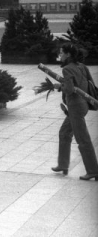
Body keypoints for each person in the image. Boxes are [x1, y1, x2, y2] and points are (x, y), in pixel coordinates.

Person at [50, 43, 98, 181]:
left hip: (75, 106)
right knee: (64, 133)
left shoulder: (67, 69)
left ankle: (93, 170)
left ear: (68, 54)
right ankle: (63, 164)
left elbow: (70, 89)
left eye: (62, 52)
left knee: (82, 139)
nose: (60, 55)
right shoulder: (81, 66)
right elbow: (89, 83)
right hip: (82, 104)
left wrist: (59, 86)